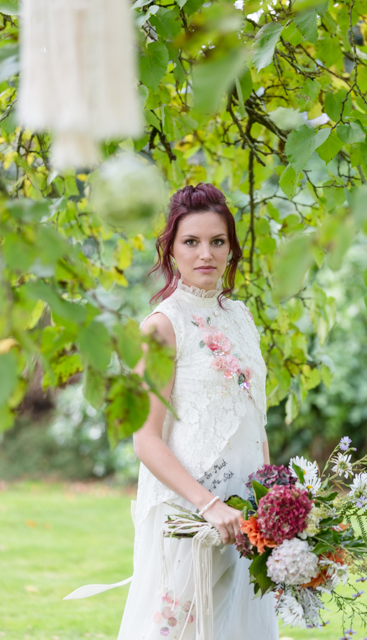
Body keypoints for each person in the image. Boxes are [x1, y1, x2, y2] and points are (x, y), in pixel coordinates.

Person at [65, 183, 278, 640]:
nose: (206, 253)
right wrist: (209, 504)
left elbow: (253, 418)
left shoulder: (242, 317)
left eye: (217, 241)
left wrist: (274, 498)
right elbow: (146, 439)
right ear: (171, 250)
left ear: (231, 249)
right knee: (176, 631)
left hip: (247, 513)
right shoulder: (163, 326)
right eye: (191, 242)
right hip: (190, 511)